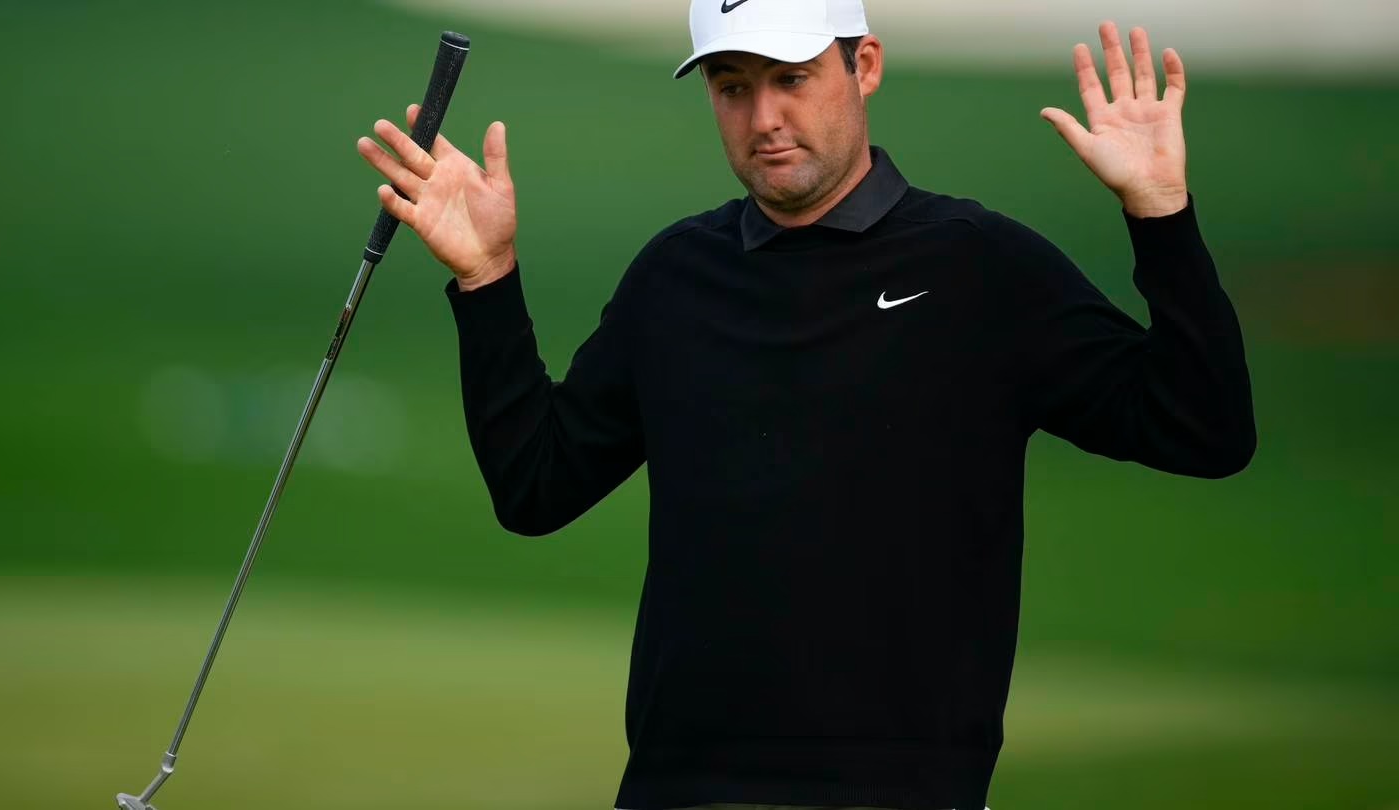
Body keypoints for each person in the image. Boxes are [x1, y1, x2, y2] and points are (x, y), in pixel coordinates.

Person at [356, 0, 1256, 808]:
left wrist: (1161, 214)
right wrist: (488, 279)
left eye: (791, 78)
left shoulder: (979, 265)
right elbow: (536, 488)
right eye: (732, 87)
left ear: (865, 66)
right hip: (680, 786)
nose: (764, 118)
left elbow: (1204, 430)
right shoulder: (677, 277)